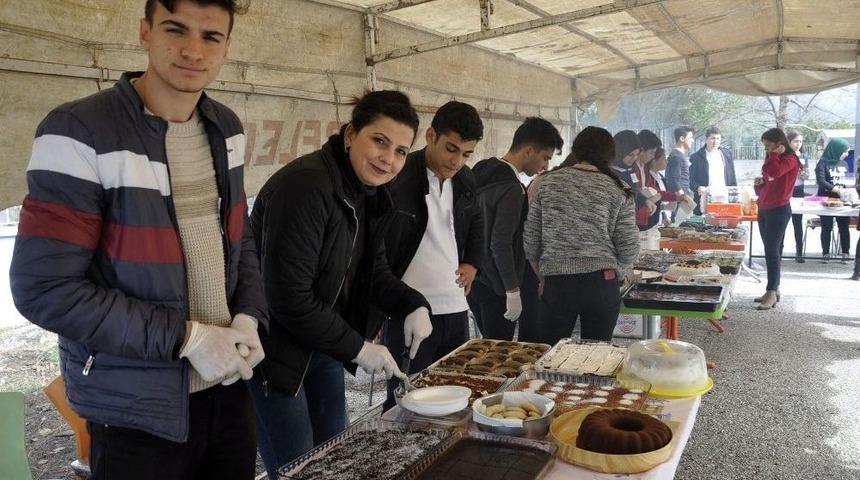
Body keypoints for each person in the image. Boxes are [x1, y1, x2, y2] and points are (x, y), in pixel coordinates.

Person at [10, 1, 268, 478]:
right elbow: (44, 289)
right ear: (145, 32)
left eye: (211, 37)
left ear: (227, 47)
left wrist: (250, 314)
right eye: (176, 30)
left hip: (227, 389)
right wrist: (187, 337)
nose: (193, 50)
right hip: (135, 409)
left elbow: (238, 237)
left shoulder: (226, 127)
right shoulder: (79, 130)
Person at [247, 90, 432, 478]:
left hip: (324, 345)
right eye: (379, 141)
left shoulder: (369, 192)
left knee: (336, 458)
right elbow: (287, 297)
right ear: (350, 133)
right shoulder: (304, 187)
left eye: (401, 151)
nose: (389, 158)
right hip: (275, 358)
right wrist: (359, 348)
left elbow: (374, 271)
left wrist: (412, 304)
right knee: (300, 468)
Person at [380, 101, 485, 409]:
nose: (457, 161)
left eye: (466, 154)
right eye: (451, 149)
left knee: (457, 391)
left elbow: (479, 221)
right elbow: (378, 245)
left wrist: (473, 262)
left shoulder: (467, 180)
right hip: (407, 308)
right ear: (430, 136)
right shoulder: (397, 177)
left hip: (454, 305)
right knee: (407, 398)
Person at [524, 126, 640, 344]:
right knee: (596, 360)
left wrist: (542, 276)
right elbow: (629, 247)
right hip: (602, 283)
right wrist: (619, 273)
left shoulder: (548, 183)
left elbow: (530, 239)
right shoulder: (619, 188)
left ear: (576, 150)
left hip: (558, 284)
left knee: (550, 357)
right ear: (610, 155)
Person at [469, 117, 563, 341]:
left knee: (488, 348)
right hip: (498, 287)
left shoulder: (480, 170)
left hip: (476, 280)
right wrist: (512, 290)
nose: (546, 167)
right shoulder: (511, 188)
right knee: (499, 355)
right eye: (545, 158)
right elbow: (500, 243)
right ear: (528, 151)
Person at [753, 128, 801, 310]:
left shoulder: (789, 159)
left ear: (779, 144)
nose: (766, 149)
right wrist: (759, 186)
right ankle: (773, 289)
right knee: (771, 250)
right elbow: (770, 180)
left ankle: (772, 291)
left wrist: (774, 156)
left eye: (768, 145)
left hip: (778, 210)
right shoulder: (773, 157)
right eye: (764, 146)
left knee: (772, 250)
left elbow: (775, 171)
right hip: (765, 207)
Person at [815, 137, 852, 263]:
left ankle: (845, 253)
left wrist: (848, 189)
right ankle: (825, 253)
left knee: (843, 227)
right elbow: (821, 181)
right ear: (836, 149)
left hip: (842, 200)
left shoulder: (845, 164)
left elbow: (846, 181)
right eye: (845, 151)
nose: (847, 154)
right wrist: (836, 189)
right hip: (826, 200)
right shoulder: (822, 163)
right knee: (827, 227)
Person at [689, 125, 738, 214]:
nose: (715, 141)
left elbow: (732, 177)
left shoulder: (727, 154)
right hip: (705, 198)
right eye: (713, 138)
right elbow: (690, 179)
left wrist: (735, 195)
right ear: (706, 139)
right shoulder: (696, 157)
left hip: (724, 197)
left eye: (718, 138)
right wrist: (697, 188)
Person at [611, 130, 654, 229]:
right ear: (620, 152)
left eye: (637, 154)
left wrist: (645, 200)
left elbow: (632, 192)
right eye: (631, 154)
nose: (634, 158)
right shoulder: (610, 173)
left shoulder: (630, 169)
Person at [787, 131, 810, 263]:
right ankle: (779, 250)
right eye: (796, 141)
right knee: (782, 222)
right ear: (789, 142)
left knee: (798, 222)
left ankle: (799, 252)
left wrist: (803, 173)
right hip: (786, 190)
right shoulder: (784, 155)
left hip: (799, 190)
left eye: (800, 142)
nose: (798, 144)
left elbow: (807, 174)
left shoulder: (803, 156)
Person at [666, 126, 694, 195]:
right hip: (679, 199)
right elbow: (674, 179)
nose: (692, 140)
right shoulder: (677, 156)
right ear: (682, 138)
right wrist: (682, 196)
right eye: (690, 137)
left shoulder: (679, 155)